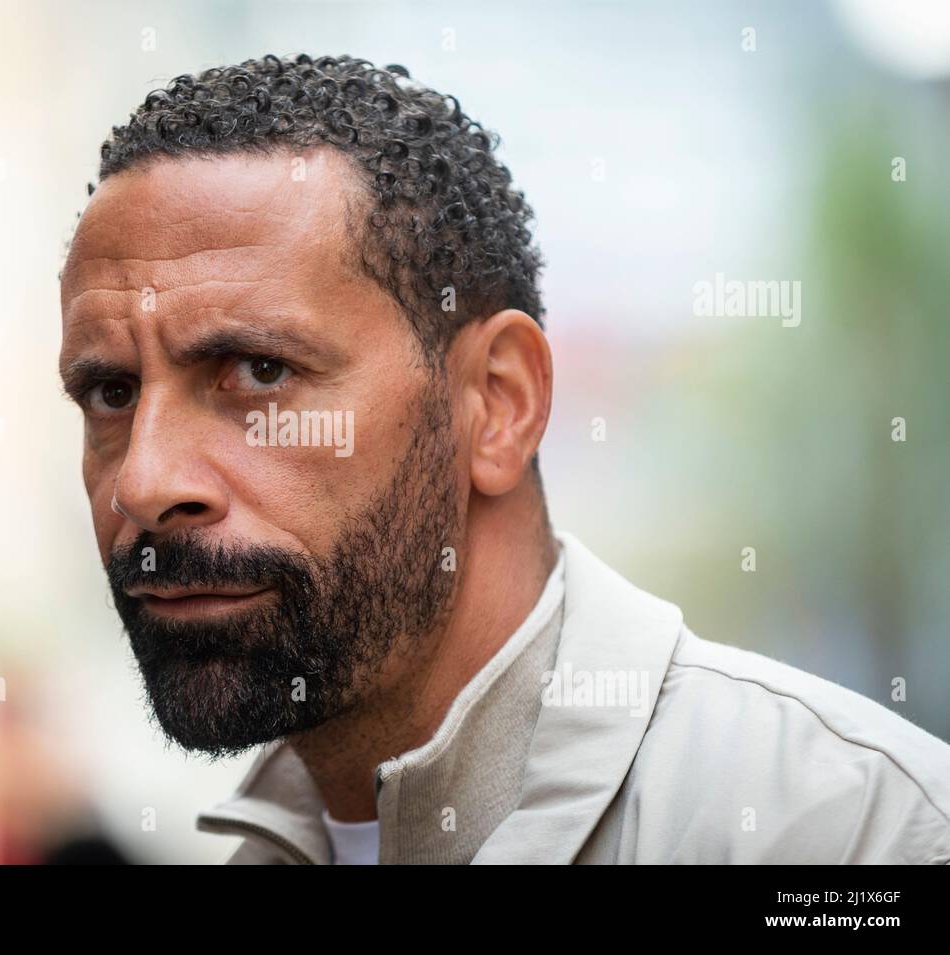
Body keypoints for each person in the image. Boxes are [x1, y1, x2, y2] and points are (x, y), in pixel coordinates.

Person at [57, 53, 950, 864]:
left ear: (498, 405)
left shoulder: (853, 835)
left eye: (258, 372)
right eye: (112, 392)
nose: (145, 481)